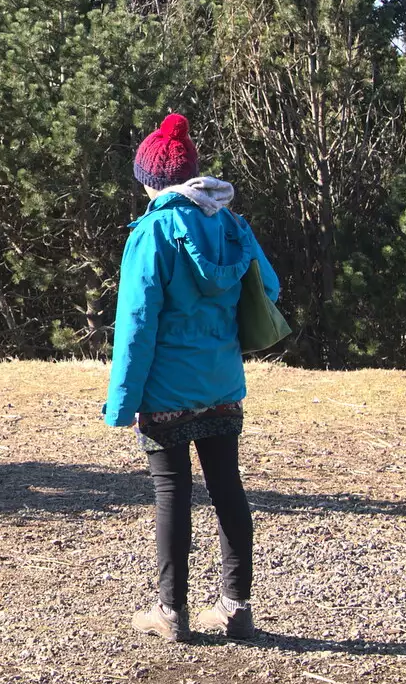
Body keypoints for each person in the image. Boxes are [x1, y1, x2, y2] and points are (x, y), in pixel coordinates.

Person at [104, 113, 280, 642]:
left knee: (171, 490)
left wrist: (122, 402)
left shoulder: (153, 230)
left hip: (166, 390)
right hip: (222, 382)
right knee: (227, 487)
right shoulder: (231, 224)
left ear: (151, 180)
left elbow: (136, 322)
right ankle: (235, 608)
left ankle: (170, 612)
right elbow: (267, 286)